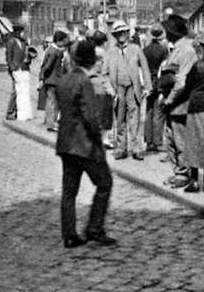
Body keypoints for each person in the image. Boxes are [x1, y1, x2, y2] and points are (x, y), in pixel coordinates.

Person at [55, 38, 115, 248]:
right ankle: (94, 228)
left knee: (69, 191)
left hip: (66, 144)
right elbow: (90, 117)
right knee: (104, 183)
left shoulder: (64, 80)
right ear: (91, 61)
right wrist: (98, 141)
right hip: (85, 145)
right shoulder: (85, 82)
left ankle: (69, 234)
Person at [164, 28, 204, 193]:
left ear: (201, 45)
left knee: (193, 142)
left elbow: (188, 85)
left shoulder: (197, 65)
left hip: (197, 106)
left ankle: (194, 180)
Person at [103, 21, 152, 161]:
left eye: (124, 32)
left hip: (132, 88)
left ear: (127, 33)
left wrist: (148, 87)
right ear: (115, 35)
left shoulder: (136, 49)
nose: (122, 35)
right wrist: (110, 89)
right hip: (117, 89)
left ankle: (136, 149)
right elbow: (104, 73)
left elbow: (145, 68)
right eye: (118, 33)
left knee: (134, 119)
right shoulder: (110, 52)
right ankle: (121, 148)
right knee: (119, 119)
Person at [158, 14, 197, 189]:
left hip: (180, 103)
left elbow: (182, 81)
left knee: (180, 139)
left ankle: (184, 173)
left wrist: (169, 99)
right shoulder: (177, 49)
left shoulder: (187, 51)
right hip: (172, 102)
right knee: (171, 139)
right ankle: (178, 171)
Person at [142, 26, 169, 152]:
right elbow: (164, 68)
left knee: (149, 111)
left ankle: (148, 141)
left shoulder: (145, 50)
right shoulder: (164, 50)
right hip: (159, 82)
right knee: (159, 111)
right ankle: (158, 142)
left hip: (148, 82)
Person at [40, 30, 68, 131]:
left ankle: (49, 121)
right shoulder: (54, 52)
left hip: (50, 80)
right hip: (53, 80)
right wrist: (46, 76)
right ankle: (51, 123)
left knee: (50, 101)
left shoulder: (50, 50)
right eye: (63, 41)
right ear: (59, 41)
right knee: (53, 102)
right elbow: (48, 66)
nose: (64, 43)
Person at [5, 23, 31, 120]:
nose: (22, 34)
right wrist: (11, 69)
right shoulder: (11, 42)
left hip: (23, 69)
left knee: (22, 91)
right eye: (21, 32)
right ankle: (10, 112)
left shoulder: (24, 42)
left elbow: (27, 55)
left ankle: (18, 111)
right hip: (15, 69)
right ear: (17, 33)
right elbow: (8, 57)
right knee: (15, 91)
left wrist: (28, 59)